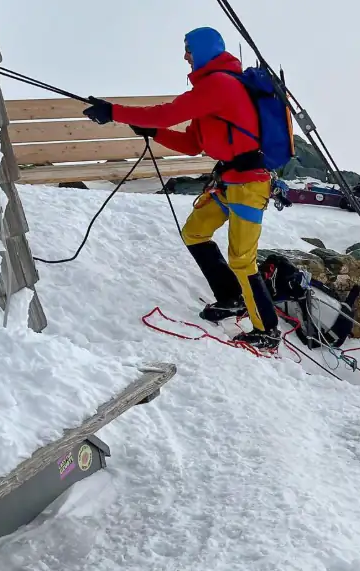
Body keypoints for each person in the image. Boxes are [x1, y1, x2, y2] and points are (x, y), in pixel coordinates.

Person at [80, 27, 280, 349]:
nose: (185, 55)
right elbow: (191, 144)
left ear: (203, 50)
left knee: (243, 259)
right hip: (228, 182)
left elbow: (169, 113)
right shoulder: (212, 88)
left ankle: (267, 331)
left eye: (188, 48)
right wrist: (151, 131)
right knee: (194, 232)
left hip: (249, 185)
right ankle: (231, 297)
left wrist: (114, 112)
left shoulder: (220, 84)